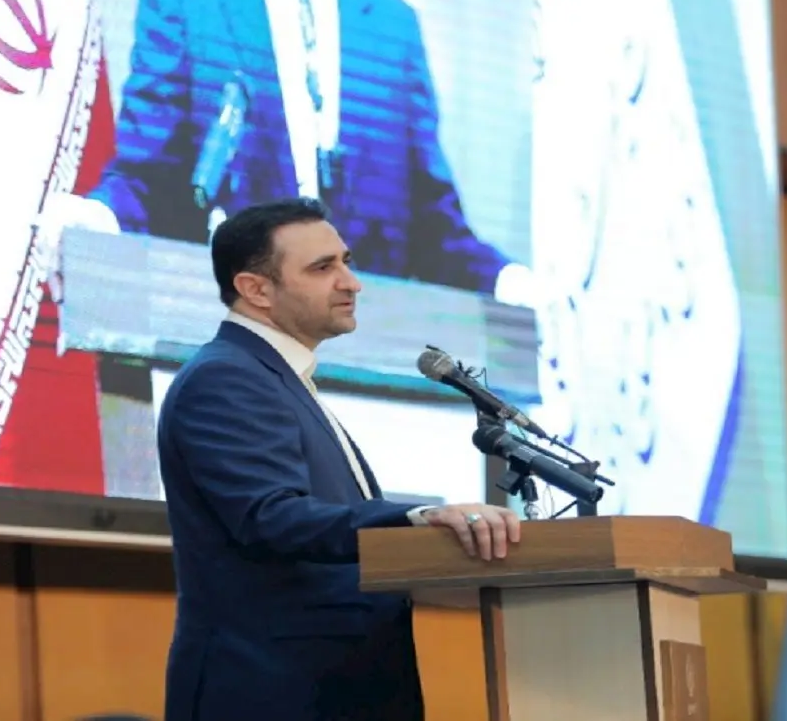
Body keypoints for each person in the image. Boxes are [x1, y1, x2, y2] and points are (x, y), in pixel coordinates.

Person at [156, 197, 521, 720]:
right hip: (273, 692)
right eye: (323, 268)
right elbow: (270, 517)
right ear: (256, 289)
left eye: (346, 262)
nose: (352, 283)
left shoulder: (274, 376)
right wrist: (416, 518)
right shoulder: (226, 377)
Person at [49, 0, 531, 298]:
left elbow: (432, 228)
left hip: (369, 371)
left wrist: (511, 285)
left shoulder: (391, 20)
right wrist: (96, 222)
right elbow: (149, 178)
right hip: (230, 347)